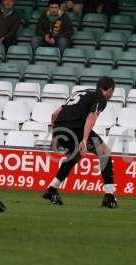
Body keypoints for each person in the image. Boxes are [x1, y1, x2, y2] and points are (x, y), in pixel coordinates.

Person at [43, 76, 118, 208]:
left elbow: (55, 114)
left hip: (60, 129)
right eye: (113, 91)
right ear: (110, 90)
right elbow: (91, 117)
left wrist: (55, 135)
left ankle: (52, 189)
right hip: (76, 128)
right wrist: (84, 139)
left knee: (75, 156)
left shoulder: (80, 93)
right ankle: (109, 196)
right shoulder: (101, 98)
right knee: (105, 153)